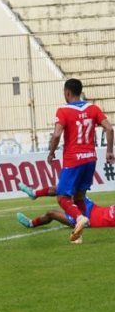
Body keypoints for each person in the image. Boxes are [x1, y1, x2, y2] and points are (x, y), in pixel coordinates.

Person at [47, 78, 114, 242]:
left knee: (62, 197)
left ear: (67, 92)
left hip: (73, 160)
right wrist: (109, 151)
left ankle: (80, 219)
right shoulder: (93, 108)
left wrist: (51, 152)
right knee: (79, 197)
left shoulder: (63, 110)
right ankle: (78, 234)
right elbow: (109, 128)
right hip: (90, 159)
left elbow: (56, 134)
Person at [16, 184, 115, 244]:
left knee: (51, 213)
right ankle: (34, 193)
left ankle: (31, 223)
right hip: (91, 207)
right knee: (63, 189)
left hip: (86, 220)